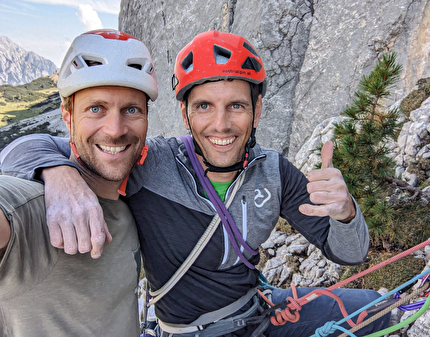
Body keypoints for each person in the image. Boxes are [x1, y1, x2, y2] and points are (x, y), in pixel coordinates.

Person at [0, 31, 390, 337]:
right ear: (186, 115)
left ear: (255, 113)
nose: (220, 124)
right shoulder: (149, 163)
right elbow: (34, 147)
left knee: (377, 307)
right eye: (204, 106)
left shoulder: (274, 170)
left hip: (258, 310)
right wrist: (59, 173)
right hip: (194, 332)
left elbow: (351, 253)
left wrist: (346, 212)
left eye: (236, 105)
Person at [0, 28, 158, 336]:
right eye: (96, 109)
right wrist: (57, 173)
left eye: (131, 110)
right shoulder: (35, 209)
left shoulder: (136, 189)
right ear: (67, 115)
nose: (115, 130)